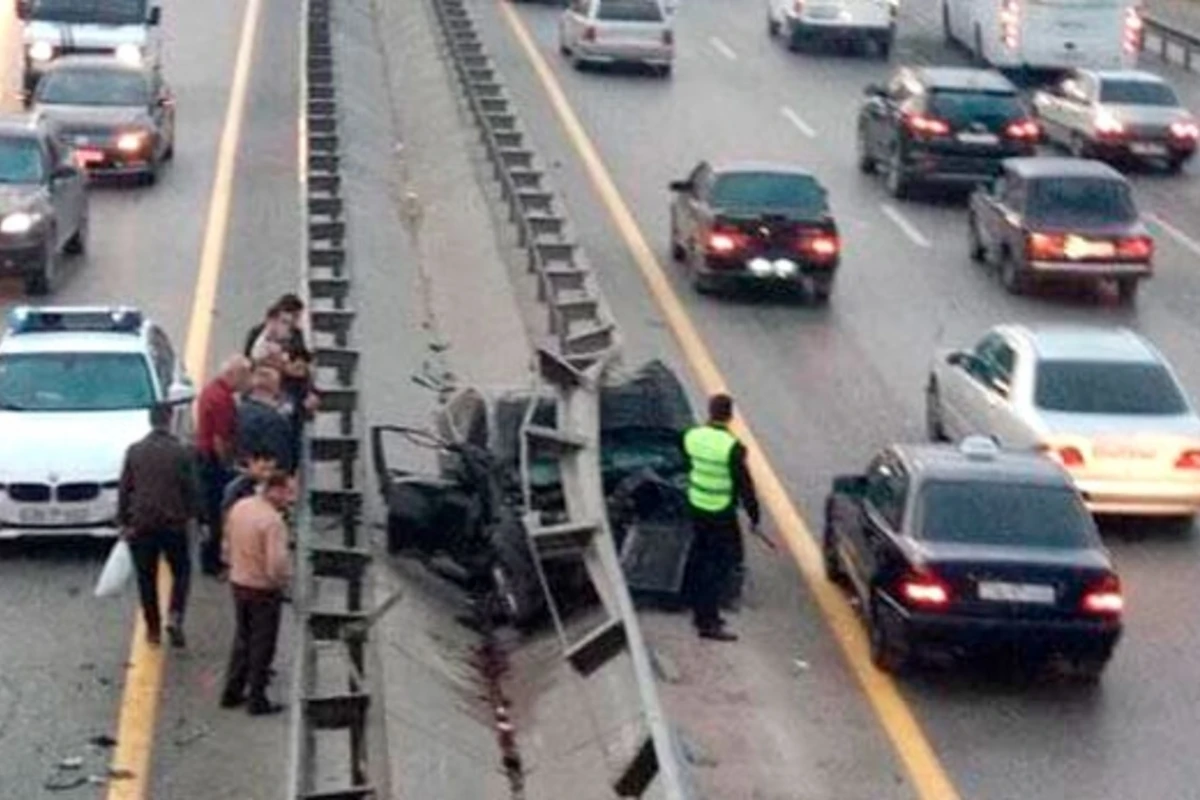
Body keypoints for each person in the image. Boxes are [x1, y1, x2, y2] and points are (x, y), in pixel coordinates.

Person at [118, 403, 200, 648]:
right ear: (170, 419)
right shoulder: (182, 452)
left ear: (150, 420)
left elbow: (126, 489)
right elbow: (192, 489)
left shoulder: (135, 451)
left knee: (146, 577)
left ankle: (152, 628)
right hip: (173, 522)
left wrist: (123, 520)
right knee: (182, 570)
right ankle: (175, 615)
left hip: (142, 523)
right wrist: (197, 516)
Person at [681, 393, 761, 642]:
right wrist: (754, 515)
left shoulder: (691, 436)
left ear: (710, 411)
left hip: (696, 505)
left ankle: (698, 611)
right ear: (730, 415)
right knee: (717, 566)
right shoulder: (733, 448)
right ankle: (708, 622)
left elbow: (688, 464)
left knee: (698, 558)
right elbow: (745, 486)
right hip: (719, 510)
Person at [220, 471, 295, 715]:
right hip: (262, 589)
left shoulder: (241, 507)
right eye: (288, 492)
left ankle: (232, 691)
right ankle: (257, 699)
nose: (290, 498)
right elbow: (276, 564)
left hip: (238, 581)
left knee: (243, 638)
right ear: (275, 490)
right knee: (263, 645)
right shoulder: (273, 522)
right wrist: (283, 582)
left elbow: (227, 542)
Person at [196, 355, 252, 576]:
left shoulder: (211, 391)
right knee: (216, 512)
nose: (246, 381)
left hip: (204, 457)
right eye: (244, 376)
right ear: (233, 375)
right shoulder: (222, 399)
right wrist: (227, 465)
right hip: (212, 462)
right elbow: (220, 439)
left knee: (211, 512)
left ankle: (211, 557)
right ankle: (212, 562)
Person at [236, 364, 295, 474]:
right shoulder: (274, 421)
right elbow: (281, 460)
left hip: (241, 470)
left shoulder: (239, 410)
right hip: (266, 477)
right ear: (274, 388)